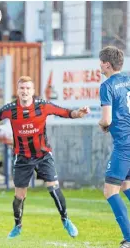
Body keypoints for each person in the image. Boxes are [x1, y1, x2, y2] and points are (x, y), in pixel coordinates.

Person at [0, 76, 90, 240]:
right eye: (22, 88)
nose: (25, 91)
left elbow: (66, 113)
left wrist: (79, 113)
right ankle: (17, 226)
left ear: (33, 91)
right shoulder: (10, 109)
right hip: (22, 157)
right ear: (17, 91)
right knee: (20, 195)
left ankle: (66, 220)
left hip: (43, 155)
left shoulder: (43, 106)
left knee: (53, 188)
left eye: (28, 88)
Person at [98, 46, 130, 248]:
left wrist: (102, 124)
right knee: (126, 186)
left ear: (107, 64)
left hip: (124, 145)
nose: (100, 66)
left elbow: (106, 119)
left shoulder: (107, 85)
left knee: (110, 191)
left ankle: (128, 238)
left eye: (101, 62)